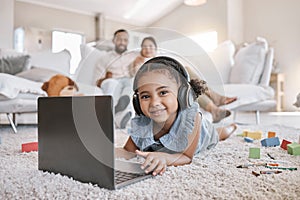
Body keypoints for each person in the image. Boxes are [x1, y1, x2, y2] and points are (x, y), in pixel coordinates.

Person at [116, 56, 237, 176]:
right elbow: (128, 151)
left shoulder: (192, 119)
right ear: (137, 102)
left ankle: (232, 127)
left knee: (220, 133)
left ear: (183, 95)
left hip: (204, 134)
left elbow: (186, 157)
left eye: (163, 92)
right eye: (145, 96)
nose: (154, 103)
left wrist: (164, 158)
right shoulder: (143, 122)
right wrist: (105, 151)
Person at [130, 36, 237, 123]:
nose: (148, 48)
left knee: (187, 74)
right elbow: (141, 78)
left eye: (150, 46)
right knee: (186, 83)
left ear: (155, 48)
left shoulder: (161, 58)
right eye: (145, 46)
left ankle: (214, 106)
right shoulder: (139, 61)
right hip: (159, 83)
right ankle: (215, 103)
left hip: (169, 80)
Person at [93, 29, 139, 128]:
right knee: (112, 84)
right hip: (112, 80)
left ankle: (119, 112)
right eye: (119, 39)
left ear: (128, 42)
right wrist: (106, 78)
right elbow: (97, 80)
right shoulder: (105, 58)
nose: (122, 42)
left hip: (128, 80)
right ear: (113, 40)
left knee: (131, 84)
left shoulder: (133, 56)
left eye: (125, 40)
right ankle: (116, 114)